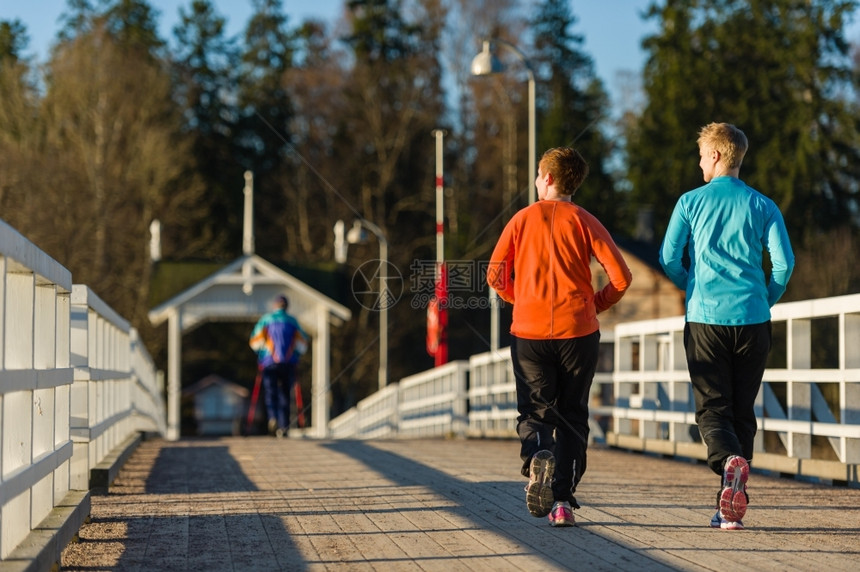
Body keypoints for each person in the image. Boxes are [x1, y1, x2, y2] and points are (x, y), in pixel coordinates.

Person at [659, 122, 795, 531]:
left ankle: (726, 463)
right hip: (754, 321)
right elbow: (784, 264)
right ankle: (730, 505)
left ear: (716, 155)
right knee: (741, 411)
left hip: (705, 319)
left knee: (712, 410)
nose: (699, 161)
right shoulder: (763, 205)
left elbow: (669, 258)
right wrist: (764, 299)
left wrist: (693, 288)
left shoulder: (690, 202)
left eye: (702, 154)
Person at [487, 147, 632, 527]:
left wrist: (522, 301)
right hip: (578, 333)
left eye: (538, 174)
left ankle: (537, 452)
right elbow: (622, 277)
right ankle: (563, 502)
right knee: (571, 415)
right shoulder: (585, 221)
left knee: (535, 411)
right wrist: (593, 305)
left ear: (548, 179)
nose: (536, 180)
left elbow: (495, 275)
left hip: (529, 333)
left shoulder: (521, 220)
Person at [249, 294, 308, 437]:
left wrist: (263, 351)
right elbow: (303, 345)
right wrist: (295, 354)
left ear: (275, 305)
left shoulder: (266, 321)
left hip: (269, 363)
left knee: (271, 392)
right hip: (288, 364)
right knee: (285, 394)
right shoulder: (293, 322)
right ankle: (284, 426)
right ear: (287, 306)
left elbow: (254, 343)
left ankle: (272, 417)